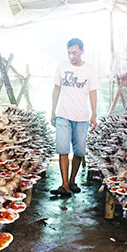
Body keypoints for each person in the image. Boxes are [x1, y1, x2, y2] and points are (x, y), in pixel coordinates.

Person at [50, 38, 99, 197]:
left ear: (82, 51)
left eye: (75, 52)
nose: (71, 56)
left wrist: (94, 114)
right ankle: (64, 184)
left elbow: (93, 92)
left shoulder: (90, 69)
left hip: (82, 117)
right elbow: (56, 89)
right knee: (62, 149)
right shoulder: (61, 67)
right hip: (63, 115)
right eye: (69, 53)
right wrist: (53, 111)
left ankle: (72, 181)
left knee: (79, 151)